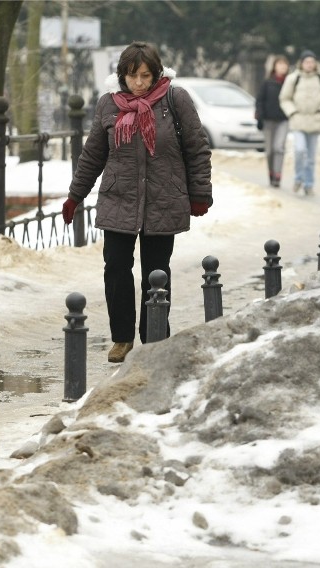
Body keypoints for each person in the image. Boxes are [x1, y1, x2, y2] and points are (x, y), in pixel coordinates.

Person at [61, 41, 212, 363]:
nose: (140, 84)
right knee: (116, 267)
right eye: (132, 77)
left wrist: (200, 193)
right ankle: (121, 339)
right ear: (122, 76)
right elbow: (93, 155)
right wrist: (76, 196)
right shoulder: (108, 105)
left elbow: (197, 148)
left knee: (156, 272)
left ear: (156, 74)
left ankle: (155, 335)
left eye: (145, 76)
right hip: (119, 198)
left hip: (163, 198)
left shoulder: (175, 99)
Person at [279, 49, 320, 195]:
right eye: (307, 62)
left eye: (312, 62)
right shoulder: (294, 78)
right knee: (299, 150)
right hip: (298, 120)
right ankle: (298, 178)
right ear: (301, 63)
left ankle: (309, 184)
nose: (309, 65)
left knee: (310, 157)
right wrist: (292, 112)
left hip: (315, 121)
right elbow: (285, 98)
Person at [255, 55, 290, 188]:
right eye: (280, 64)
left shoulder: (290, 82)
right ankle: (271, 172)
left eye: (284, 64)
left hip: (283, 120)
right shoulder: (267, 83)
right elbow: (259, 100)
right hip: (268, 120)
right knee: (269, 150)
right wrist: (260, 117)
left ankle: (278, 175)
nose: (282, 67)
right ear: (274, 66)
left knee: (279, 147)